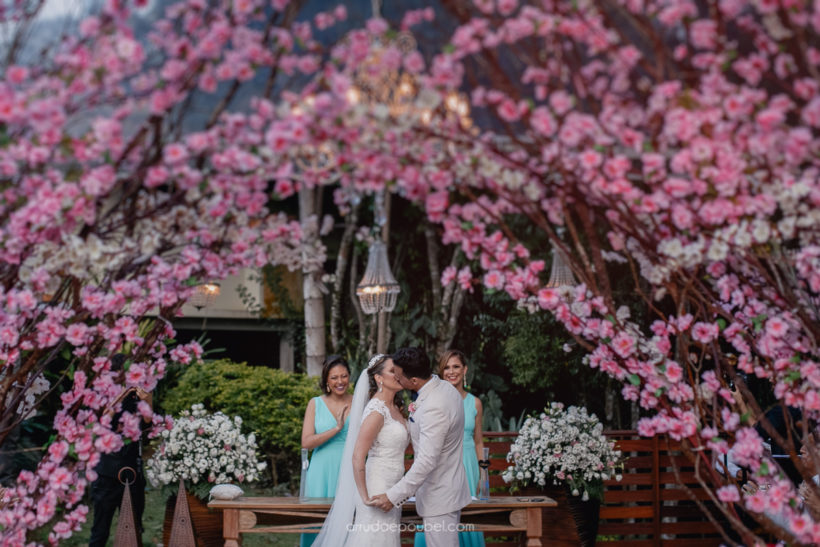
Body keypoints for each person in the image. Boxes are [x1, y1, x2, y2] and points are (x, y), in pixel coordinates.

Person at [370, 347, 471, 547]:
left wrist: (393, 496)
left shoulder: (435, 406)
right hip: (445, 489)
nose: (397, 380)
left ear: (413, 380)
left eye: (399, 377)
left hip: (440, 496)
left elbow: (426, 461)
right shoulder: (444, 388)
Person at [311, 353, 409, 547]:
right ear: (378, 378)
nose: (399, 374)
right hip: (377, 487)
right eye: (392, 371)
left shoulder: (396, 408)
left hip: (394, 487)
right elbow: (357, 456)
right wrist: (364, 496)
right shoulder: (376, 410)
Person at [415, 350, 485, 547]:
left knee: (467, 522)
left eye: (456, 366)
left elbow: (479, 441)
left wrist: (483, 474)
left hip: (467, 466)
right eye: (446, 367)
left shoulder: (475, 403)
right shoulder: (433, 400)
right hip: (440, 466)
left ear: (465, 370)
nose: (451, 372)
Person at [89, 354, 152, 547]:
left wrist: (148, 400)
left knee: (134, 530)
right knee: (100, 531)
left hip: (131, 471)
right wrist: (121, 394)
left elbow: (148, 427)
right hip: (106, 473)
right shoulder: (101, 393)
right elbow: (100, 423)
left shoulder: (138, 397)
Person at [300, 355, 352, 547]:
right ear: (327, 381)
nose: (340, 382)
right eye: (334, 377)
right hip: (321, 472)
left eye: (344, 376)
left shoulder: (359, 402)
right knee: (316, 524)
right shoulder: (315, 403)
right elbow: (306, 442)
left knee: (347, 524)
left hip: (348, 470)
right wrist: (336, 429)